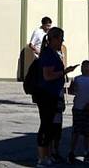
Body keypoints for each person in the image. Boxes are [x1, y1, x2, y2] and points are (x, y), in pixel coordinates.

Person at [35, 26, 75, 167]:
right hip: (47, 95)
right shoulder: (48, 54)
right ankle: (42, 157)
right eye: (61, 39)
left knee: (50, 126)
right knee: (46, 125)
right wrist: (65, 72)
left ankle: (47, 155)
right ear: (54, 39)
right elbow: (48, 75)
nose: (62, 42)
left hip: (52, 94)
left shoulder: (51, 53)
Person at [67, 59, 89, 163]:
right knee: (76, 131)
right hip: (78, 108)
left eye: (86, 66)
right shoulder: (77, 79)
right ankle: (72, 152)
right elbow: (72, 91)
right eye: (83, 66)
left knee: (88, 132)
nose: (84, 68)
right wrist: (71, 87)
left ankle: (87, 152)